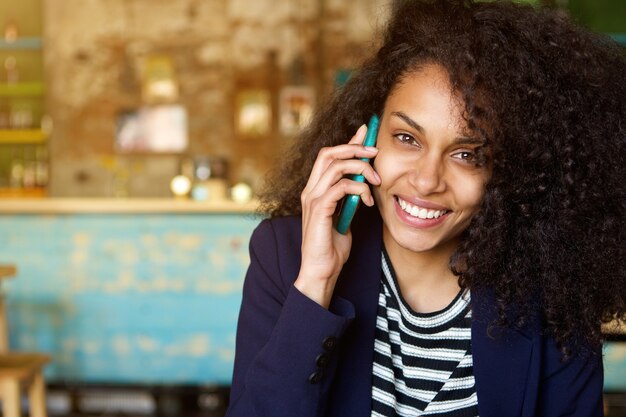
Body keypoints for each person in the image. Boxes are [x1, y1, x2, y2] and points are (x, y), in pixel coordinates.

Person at [226, 0, 626, 416]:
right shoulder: (285, 256)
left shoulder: (555, 293)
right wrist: (315, 284)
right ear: (368, 138)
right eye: (406, 138)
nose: (426, 180)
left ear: (512, 170)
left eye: (468, 155)